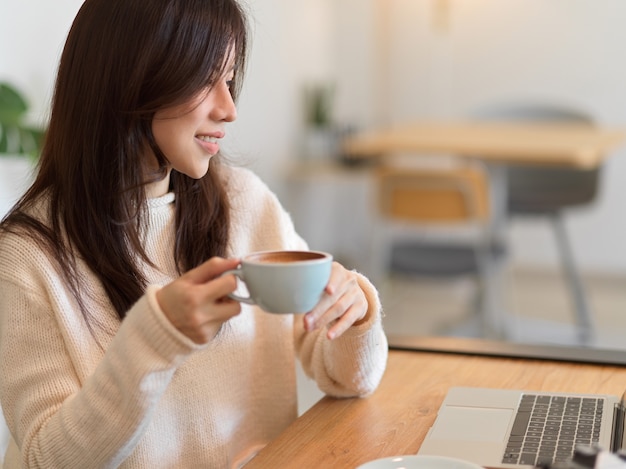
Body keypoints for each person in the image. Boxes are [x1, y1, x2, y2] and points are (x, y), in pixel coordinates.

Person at [0, 0, 388, 467]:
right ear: (134, 77)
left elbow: (348, 380)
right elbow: (48, 459)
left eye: (228, 80)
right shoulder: (26, 257)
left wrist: (355, 315)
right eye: (206, 79)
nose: (229, 109)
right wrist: (153, 338)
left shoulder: (243, 202)